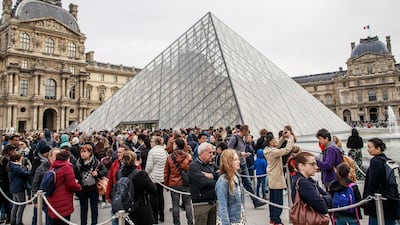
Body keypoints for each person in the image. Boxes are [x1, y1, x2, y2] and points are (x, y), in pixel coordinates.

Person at [362, 138, 400, 225]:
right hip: (391, 199)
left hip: (379, 202)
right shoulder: (388, 160)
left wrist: (367, 199)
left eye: (369, 147)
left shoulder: (375, 162)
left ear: (378, 149)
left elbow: (372, 183)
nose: (368, 150)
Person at [228, 124, 265, 208]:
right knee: (237, 184)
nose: (248, 133)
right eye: (247, 131)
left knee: (248, 183)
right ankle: (238, 203)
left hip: (243, 163)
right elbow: (229, 150)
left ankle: (255, 201)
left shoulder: (242, 139)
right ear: (243, 130)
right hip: (236, 164)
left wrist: (244, 155)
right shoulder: (235, 138)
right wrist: (240, 153)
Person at [289, 152, 331, 219]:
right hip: (309, 220)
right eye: (312, 164)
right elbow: (323, 208)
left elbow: (325, 196)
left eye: (316, 164)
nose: (316, 167)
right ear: (301, 166)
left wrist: (322, 198)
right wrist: (323, 198)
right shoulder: (304, 183)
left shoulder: (307, 180)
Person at [264, 132, 294, 225]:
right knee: (278, 202)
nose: (275, 141)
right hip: (277, 179)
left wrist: (282, 137)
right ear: (270, 142)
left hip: (272, 179)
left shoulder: (268, 150)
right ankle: (277, 220)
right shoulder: (273, 152)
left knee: (272, 201)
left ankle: (272, 218)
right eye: (274, 140)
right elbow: (286, 150)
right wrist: (291, 138)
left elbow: (277, 146)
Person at [120, 151, 157, 225]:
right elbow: (153, 189)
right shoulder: (141, 174)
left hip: (126, 208)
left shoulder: (119, 173)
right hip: (141, 208)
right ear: (134, 161)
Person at [75, 144, 107, 225]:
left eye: (85, 152)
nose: (83, 154)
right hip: (83, 189)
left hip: (93, 188)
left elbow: (105, 171)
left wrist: (98, 173)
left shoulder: (96, 162)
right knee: (83, 209)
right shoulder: (78, 163)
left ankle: (94, 223)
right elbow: (74, 174)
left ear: (90, 153)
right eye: (81, 152)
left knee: (94, 208)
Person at [47, 151, 82, 225]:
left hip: (52, 198)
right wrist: (79, 187)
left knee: (55, 221)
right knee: (64, 221)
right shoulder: (67, 168)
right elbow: (72, 184)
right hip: (63, 199)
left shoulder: (52, 167)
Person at [164, 138, 193, 225]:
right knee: (187, 204)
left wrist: (166, 185)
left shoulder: (170, 157)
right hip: (185, 183)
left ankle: (177, 223)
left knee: (175, 205)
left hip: (174, 183)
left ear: (176, 145)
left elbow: (166, 172)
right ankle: (190, 222)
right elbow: (191, 171)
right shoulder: (188, 156)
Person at [188, 142, 219, 225]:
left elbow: (221, 174)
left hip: (213, 202)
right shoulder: (193, 166)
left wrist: (213, 175)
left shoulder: (211, 165)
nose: (212, 155)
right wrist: (217, 182)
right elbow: (203, 183)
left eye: (213, 153)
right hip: (201, 204)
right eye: (210, 152)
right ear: (201, 153)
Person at [215, 149, 246, 225]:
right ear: (228, 162)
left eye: (238, 159)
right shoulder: (223, 181)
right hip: (230, 220)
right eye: (235, 160)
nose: (238, 161)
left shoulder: (236, 177)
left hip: (238, 218)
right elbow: (223, 206)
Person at [31, 147, 60, 225]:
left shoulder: (60, 167)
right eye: (56, 155)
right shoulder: (42, 168)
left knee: (52, 219)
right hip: (42, 197)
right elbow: (35, 183)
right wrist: (36, 200)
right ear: (50, 156)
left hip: (54, 198)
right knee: (37, 217)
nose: (58, 157)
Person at [145, 136, 168, 223]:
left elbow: (149, 167)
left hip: (153, 177)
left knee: (153, 197)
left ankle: (155, 217)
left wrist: (146, 173)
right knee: (161, 196)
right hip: (161, 177)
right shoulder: (163, 151)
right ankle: (162, 215)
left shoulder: (152, 151)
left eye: (151, 141)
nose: (150, 143)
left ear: (155, 142)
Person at [105, 144, 129, 225]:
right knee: (114, 216)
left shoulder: (131, 164)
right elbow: (110, 180)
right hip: (116, 193)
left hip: (127, 194)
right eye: (118, 152)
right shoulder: (115, 163)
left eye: (120, 152)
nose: (118, 154)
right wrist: (107, 195)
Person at [7, 152, 31, 225]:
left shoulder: (11, 166)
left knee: (16, 204)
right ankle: (18, 221)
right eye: (21, 159)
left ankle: (13, 220)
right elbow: (25, 174)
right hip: (19, 187)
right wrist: (28, 169)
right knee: (21, 204)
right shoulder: (16, 168)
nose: (22, 160)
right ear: (17, 160)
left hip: (14, 187)